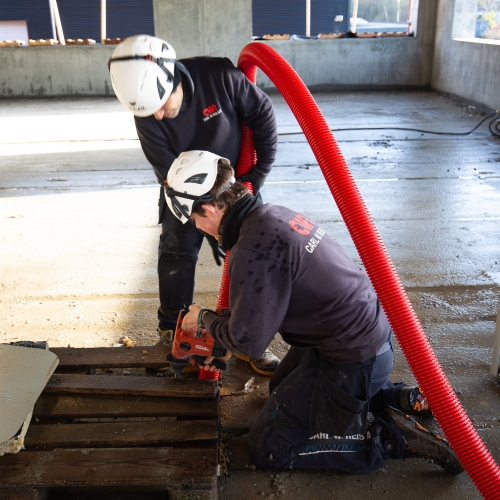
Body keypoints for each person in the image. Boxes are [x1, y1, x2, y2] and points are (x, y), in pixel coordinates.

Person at [167, 150, 463, 476]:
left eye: (195, 221)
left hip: (353, 359)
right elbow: (264, 302)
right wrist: (216, 316)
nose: (198, 228)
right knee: (279, 388)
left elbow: (246, 342)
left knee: (268, 447)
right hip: (357, 338)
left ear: (208, 209)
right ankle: (400, 398)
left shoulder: (251, 250)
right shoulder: (270, 215)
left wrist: (206, 318)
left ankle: (393, 440)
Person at [108, 34, 280, 375]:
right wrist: (205, 219)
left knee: (251, 258)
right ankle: (172, 330)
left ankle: (249, 339)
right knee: (176, 253)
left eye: (161, 106)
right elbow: (166, 171)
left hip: (235, 183)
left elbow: (262, 115)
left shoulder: (219, 78)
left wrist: (257, 173)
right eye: (147, 112)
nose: (157, 117)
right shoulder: (146, 113)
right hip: (182, 189)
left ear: (173, 78)